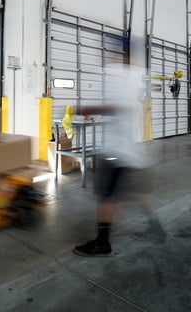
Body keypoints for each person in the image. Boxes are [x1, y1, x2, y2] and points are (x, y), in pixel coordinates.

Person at [72, 63, 165, 257]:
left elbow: (119, 107)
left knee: (106, 195)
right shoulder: (138, 74)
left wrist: (87, 108)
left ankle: (102, 243)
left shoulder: (119, 74)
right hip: (134, 148)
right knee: (135, 192)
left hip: (118, 150)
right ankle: (156, 228)